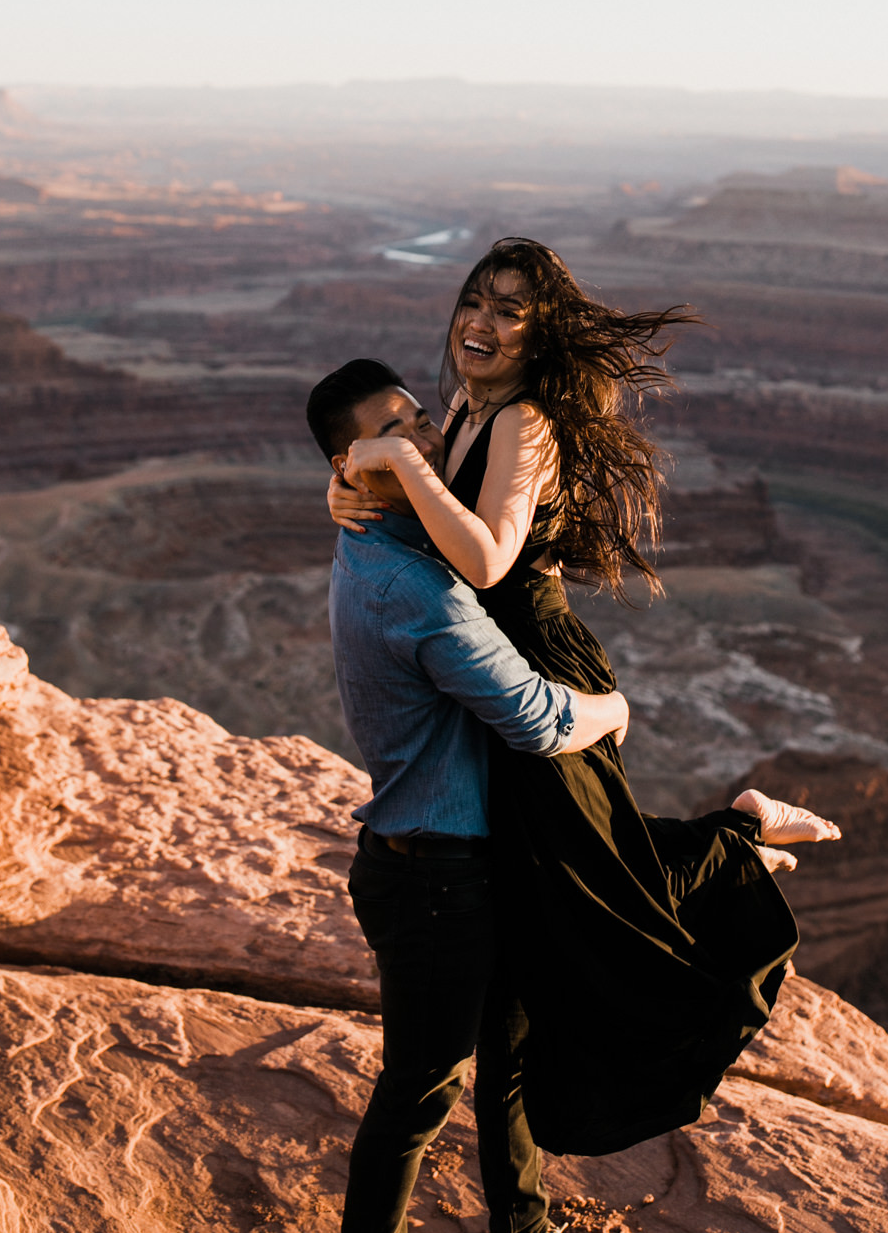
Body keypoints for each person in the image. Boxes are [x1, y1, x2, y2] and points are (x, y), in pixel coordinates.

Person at [329, 239, 840, 1157]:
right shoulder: (464, 404)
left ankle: (743, 836)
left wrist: (395, 465)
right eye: (473, 302)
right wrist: (346, 483)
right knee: (556, 893)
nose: (480, 323)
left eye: (509, 309)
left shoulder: (523, 422)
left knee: (592, 880)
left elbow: (484, 556)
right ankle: (518, 1225)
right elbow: (426, 494)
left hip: (546, 670)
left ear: (540, 332)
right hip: (496, 667)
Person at [307, 357, 644, 1233]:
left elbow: (471, 498)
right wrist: (616, 711)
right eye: (394, 434)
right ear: (351, 463)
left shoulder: (404, 532)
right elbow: (541, 722)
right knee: (421, 1084)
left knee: (504, 1053)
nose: (424, 442)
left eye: (421, 422)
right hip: (434, 876)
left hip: (474, 862)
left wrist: (396, 459)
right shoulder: (409, 585)